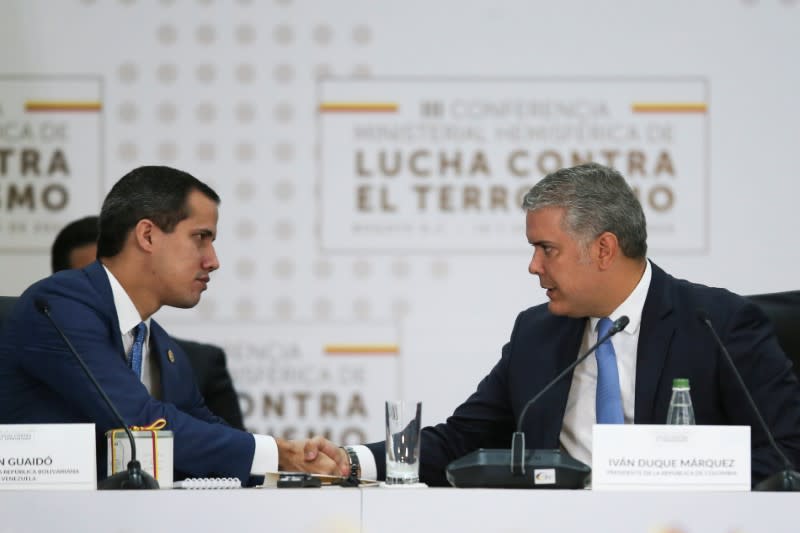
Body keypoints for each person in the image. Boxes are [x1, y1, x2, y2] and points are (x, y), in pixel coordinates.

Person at [310, 162, 800, 486]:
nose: (534, 267)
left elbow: (783, 456)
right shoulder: (537, 334)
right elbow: (462, 439)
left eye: (547, 250)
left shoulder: (718, 324)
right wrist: (353, 461)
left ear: (604, 249)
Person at [0, 165, 337, 482]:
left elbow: (206, 429)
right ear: (147, 236)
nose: (213, 261)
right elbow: (140, 423)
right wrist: (277, 454)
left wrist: (292, 458)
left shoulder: (161, 346)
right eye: (200, 238)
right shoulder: (58, 306)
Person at [51, 216, 245, 430]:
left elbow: (229, 452)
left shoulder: (197, 363)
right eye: (95, 278)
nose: (109, 288)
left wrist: (275, 450)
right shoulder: (42, 358)